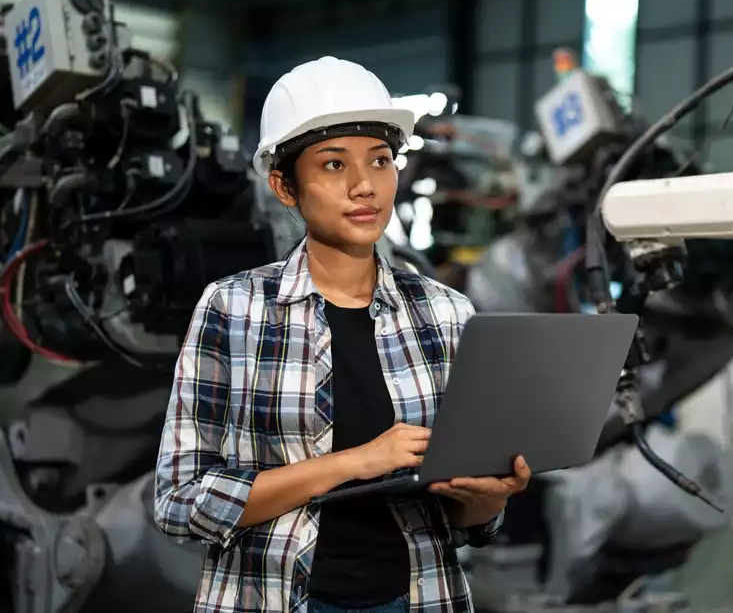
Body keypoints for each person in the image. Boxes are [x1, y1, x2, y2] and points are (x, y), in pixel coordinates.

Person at [153, 56, 532, 613]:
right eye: (333, 165)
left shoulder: (447, 314)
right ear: (285, 186)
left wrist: (487, 498)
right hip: (274, 598)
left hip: (418, 598)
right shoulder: (232, 309)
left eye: (381, 161)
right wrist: (354, 463)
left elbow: (468, 525)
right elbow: (179, 503)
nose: (364, 186)